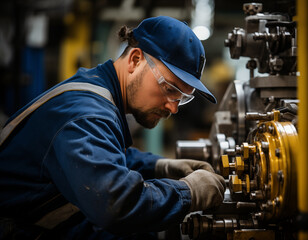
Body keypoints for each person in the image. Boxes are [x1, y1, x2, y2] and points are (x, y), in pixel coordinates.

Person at [0, 16, 226, 239]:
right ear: (135, 60)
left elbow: (106, 158)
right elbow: (116, 204)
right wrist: (188, 192)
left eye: (182, 97)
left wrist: (161, 167)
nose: (173, 108)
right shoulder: (86, 114)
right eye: (169, 88)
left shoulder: (98, 92)